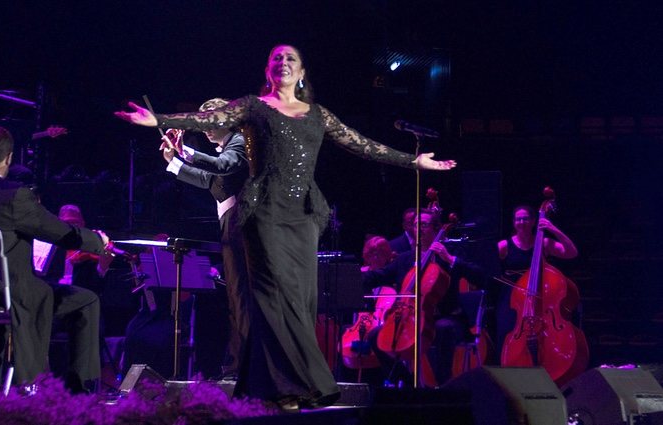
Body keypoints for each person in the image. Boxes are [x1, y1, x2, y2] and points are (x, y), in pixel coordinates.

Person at [115, 44, 456, 409]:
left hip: (303, 216)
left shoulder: (317, 114)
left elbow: (363, 145)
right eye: (276, 58)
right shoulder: (252, 110)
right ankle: (263, 386)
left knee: (298, 303)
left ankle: (297, 383)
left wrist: (413, 161)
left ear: (302, 71)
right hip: (261, 214)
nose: (284, 62)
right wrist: (160, 122)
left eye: (291, 57)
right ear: (268, 71)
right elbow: (206, 122)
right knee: (263, 302)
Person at [0, 126, 107, 392]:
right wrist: (97, 241)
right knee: (84, 300)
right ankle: (80, 393)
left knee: (43, 293)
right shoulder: (13, 195)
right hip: (7, 293)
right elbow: (61, 232)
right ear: (9, 158)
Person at [160, 98, 250, 380]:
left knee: (242, 297)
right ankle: (238, 365)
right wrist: (174, 161)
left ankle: (245, 366)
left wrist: (184, 152)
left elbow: (222, 166)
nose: (207, 130)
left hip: (241, 225)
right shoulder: (228, 147)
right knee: (236, 299)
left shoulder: (240, 142)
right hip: (232, 224)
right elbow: (209, 181)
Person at [362, 209, 485, 386]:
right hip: (410, 319)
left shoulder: (446, 254)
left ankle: (443, 386)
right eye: (415, 225)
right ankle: (404, 379)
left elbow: (480, 277)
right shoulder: (405, 259)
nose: (418, 228)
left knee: (443, 328)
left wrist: (450, 259)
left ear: (436, 229)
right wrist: (353, 275)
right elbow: (378, 276)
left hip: (446, 317)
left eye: (424, 225)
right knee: (375, 335)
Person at [494, 204, 578, 356]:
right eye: (518, 219)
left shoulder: (543, 243)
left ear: (533, 221)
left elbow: (571, 252)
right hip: (512, 300)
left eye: (525, 219)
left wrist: (553, 229)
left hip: (539, 297)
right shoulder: (504, 246)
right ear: (514, 223)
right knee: (507, 334)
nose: (522, 222)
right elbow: (487, 264)